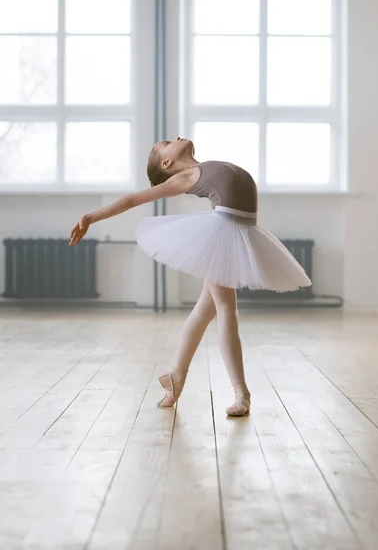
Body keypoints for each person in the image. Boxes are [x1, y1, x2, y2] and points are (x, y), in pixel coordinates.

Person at [70, 137, 311, 416]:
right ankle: (240, 392)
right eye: (167, 142)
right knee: (226, 309)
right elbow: (131, 199)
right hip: (223, 235)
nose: (176, 138)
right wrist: (90, 217)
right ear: (167, 162)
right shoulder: (183, 177)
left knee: (204, 312)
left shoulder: (205, 166)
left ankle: (175, 376)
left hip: (240, 232)